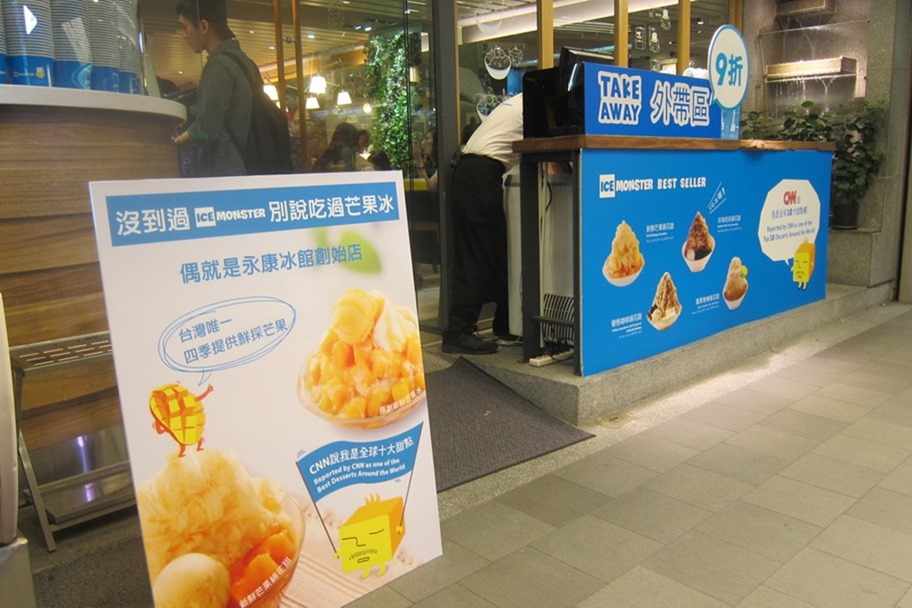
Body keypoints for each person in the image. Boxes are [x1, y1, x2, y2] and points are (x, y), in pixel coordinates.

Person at [442, 94, 524, 355]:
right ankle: (458, 331)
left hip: (475, 173)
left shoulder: (518, 102)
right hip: (480, 175)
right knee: (478, 254)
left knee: (495, 251)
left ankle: (506, 324)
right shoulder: (534, 103)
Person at [172, 0, 258, 177]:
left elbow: (206, 127)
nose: (183, 35)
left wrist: (178, 141)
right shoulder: (244, 61)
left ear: (203, 27)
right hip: (246, 163)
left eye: (185, 27)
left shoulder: (219, 65)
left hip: (225, 169)